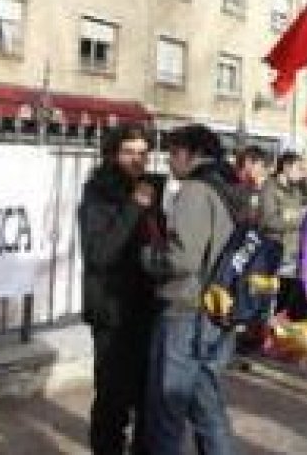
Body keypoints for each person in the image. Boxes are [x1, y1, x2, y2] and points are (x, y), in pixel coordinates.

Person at [144, 125, 238, 455]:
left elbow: (182, 258)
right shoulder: (229, 186)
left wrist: (146, 255)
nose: (169, 162)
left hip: (187, 311)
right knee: (206, 407)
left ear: (189, 153)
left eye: (172, 153)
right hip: (216, 311)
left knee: (167, 411)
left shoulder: (196, 190)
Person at [78, 124, 159, 454]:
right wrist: (134, 208)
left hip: (146, 306)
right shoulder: (98, 193)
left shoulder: (148, 189)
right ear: (112, 154)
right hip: (112, 311)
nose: (137, 160)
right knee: (112, 398)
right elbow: (100, 253)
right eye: (129, 152)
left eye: (143, 153)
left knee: (146, 395)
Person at [259, 151, 307, 321]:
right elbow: (269, 221)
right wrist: (299, 218)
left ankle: (286, 337)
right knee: (278, 303)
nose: (301, 172)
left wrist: (306, 178)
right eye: (298, 168)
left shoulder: (297, 188)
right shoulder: (270, 187)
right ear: (286, 167)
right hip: (277, 253)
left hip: (295, 254)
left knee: (294, 303)